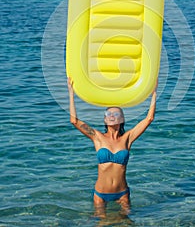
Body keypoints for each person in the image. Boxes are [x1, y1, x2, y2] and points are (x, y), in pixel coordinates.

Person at [67, 77, 157, 215]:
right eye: (108, 114)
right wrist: (71, 92)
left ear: (122, 119)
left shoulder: (128, 138)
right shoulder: (97, 137)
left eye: (116, 114)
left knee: (127, 223)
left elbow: (149, 118)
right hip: (100, 194)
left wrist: (154, 93)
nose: (111, 116)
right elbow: (74, 120)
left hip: (122, 194)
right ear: (104, 119)